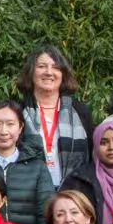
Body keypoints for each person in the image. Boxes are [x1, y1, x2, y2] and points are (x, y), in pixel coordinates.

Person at [16, 45, 97, 185]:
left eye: (55, 67)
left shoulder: (80, 112)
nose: (49, 72)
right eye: (41, 66)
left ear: (63, 74)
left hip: (73, 190)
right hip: (28, 190)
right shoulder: (17, 111)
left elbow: (92, 156)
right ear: (31, 72)